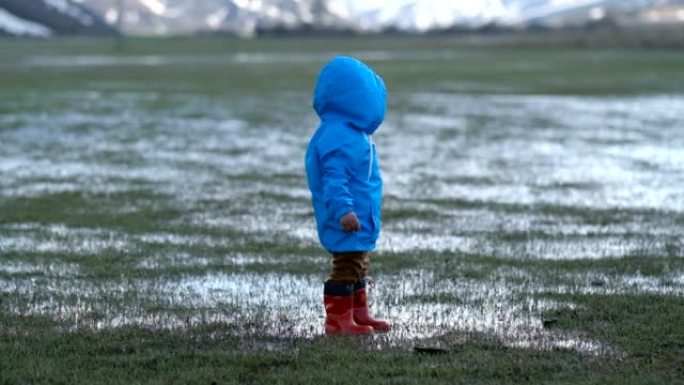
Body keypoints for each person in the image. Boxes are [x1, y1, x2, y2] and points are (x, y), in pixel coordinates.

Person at [305, 56, 391, 335]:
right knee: (346, 266)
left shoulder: (352, 133)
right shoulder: (337, 136)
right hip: (347, 217)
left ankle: (358, 313)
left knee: (359, 265)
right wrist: (344, 211)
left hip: (359, 215)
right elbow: (334, 181)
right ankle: (337, 321)